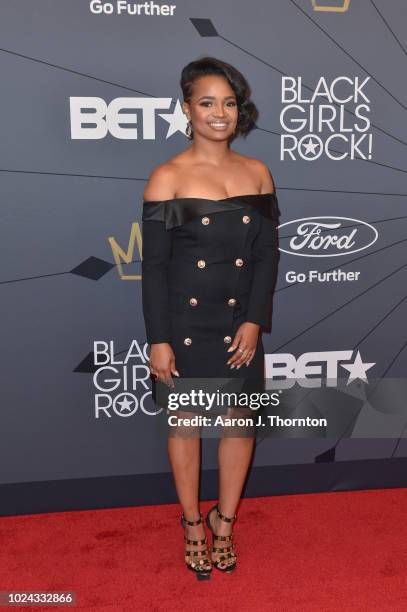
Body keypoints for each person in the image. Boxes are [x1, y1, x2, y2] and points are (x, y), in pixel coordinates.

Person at [141, 56, 280, 579]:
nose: (219, 113)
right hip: (185, 323)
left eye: (229, 103)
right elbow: (153, 268)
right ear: (187, 108)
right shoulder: (168, 177)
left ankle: (225, 523)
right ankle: (193, 523)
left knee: (239, 425)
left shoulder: (257, 172)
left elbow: (267, 255)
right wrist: (160, 340)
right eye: (207, 102)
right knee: (186, 426)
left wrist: (253, 321)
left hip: (238, 324)